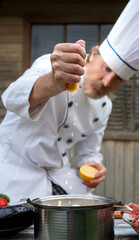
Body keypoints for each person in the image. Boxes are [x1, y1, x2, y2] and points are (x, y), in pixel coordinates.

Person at [0, 40, 125, 204]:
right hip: (14, 170)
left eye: (118, 79)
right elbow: (12, 98)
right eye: (107, 69)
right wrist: (52, 81)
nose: (107, 82)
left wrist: (92, 164)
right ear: (93, 54)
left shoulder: (105, 105)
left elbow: (88, 152)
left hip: (59, 176)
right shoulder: (52, 66)